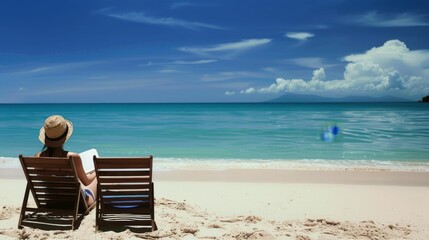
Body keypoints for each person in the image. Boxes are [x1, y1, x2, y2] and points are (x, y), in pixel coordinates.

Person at [35, 115, 97, 206]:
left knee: (81, 179)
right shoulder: (73, 157)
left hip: (51, 201)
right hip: (75, 203)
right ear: (65, 137)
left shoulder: (37, 157)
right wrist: (96, 170)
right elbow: (86, 182)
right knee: (96, 179)